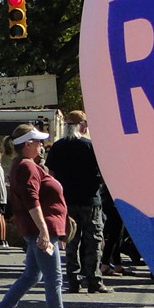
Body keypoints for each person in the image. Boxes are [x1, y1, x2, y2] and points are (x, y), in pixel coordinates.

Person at [0, 124, 88, 308]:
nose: (42, 145)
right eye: (38, 141)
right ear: (28, 144)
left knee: (33, 274)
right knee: (54, 279)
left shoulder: (24, 165)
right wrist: (43, 230)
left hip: (37, 228)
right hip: (41, 229)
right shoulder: (27, 167)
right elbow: (32, 201)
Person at [45, 110, 110, 294]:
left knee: (71, 240)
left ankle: (72, 280)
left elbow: (52, 176)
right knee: (94, 240)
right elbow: (103, 173)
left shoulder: (58, 147)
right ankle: (94, 280)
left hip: (67, 201)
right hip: (91, 200)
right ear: (83, 126)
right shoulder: (90, 146)